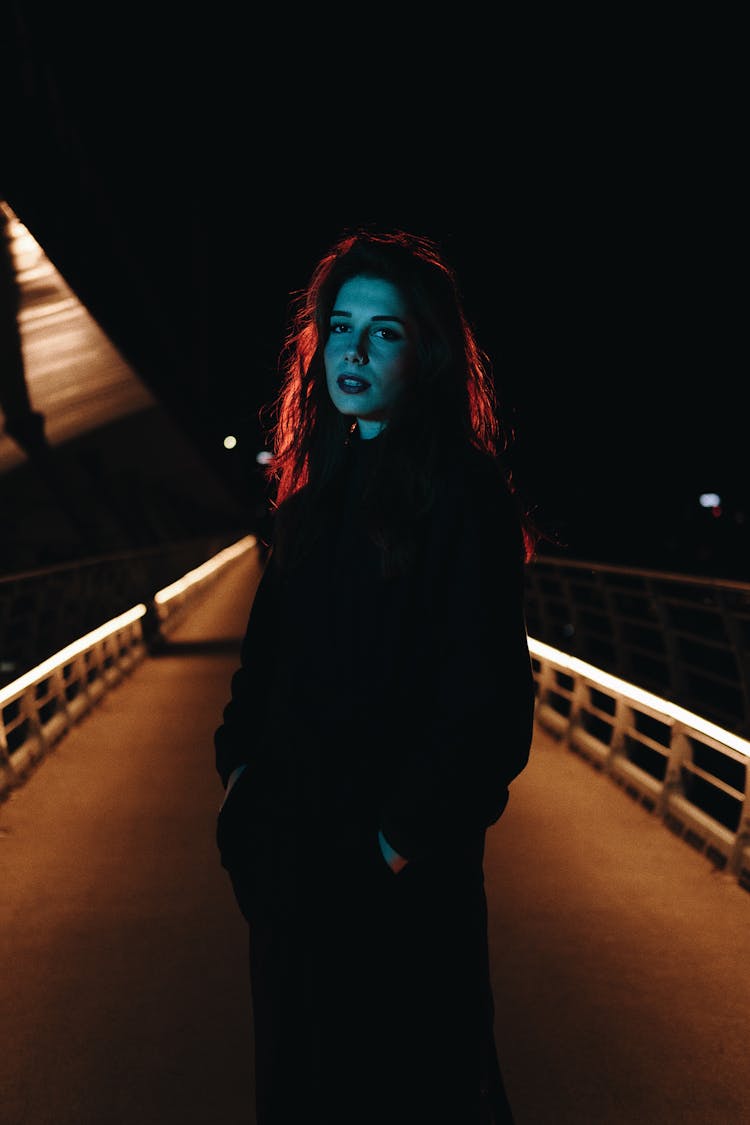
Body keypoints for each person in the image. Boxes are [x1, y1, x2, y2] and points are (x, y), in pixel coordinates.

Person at [214, 227, 538, 1125]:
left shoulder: (464, 496)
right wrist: (242, 786)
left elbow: (492, 708)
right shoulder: (312, 500)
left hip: (400, 891)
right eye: (340, 327)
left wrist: (393, 844)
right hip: (292, 874)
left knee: (414, 1089)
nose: (351, 351)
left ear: (427, 349)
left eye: (384, 331)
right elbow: (259, 675)